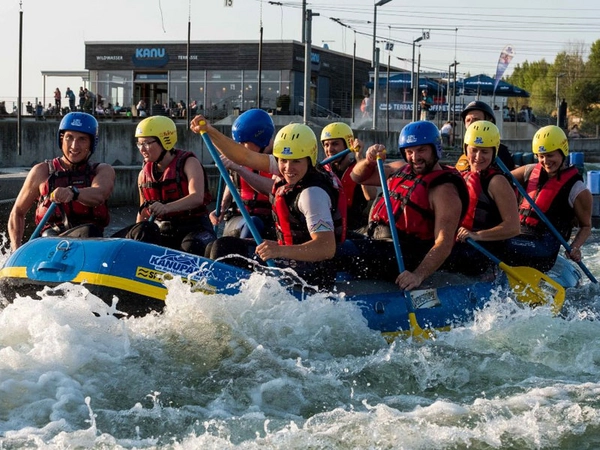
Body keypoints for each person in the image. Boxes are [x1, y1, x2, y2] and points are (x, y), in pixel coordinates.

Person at [190, 116, 346, 290]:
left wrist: (279, 250)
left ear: (309, 158)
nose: (288, 168)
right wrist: (210, 131)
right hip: (292, 258)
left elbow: (326, 248)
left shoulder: (312, 194)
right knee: (216, 245)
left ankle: (224, 296)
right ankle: (209, 292)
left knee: (224, 248)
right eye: (283, 161)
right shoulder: (292, 167)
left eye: (296, 161)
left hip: (313, 270)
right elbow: (245, 156)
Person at [350, 120, 469, 291]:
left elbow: (444, 243)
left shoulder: (445, 191)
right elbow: (358, 177)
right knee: (333, 240)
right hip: (374, 239)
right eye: (410, 151)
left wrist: (418, 275)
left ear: (435, 149)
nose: (415, 157)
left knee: (339, 251)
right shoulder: (400, 168)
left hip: (402, 254)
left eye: (422, 150)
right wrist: (368, 161)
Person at [8, 112, 115, 251]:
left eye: (82, 139)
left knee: (144, 230)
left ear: (91, 144)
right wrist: (16, 250)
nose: (74, 146)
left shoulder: (103, 170)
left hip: (92, 244)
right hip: (51, 244)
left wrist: (73, 192)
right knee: (89, 233)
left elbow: (100, 194)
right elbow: (17, 212)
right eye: (69, 138)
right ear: (61, 139)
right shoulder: (42, 171)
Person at [504, 125, 592, 272]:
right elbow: (501, 179)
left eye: (550, 155)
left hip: (544, 247)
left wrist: (575, 247)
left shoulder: (578, 189)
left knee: (497, 244)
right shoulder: (530, 171)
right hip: (520, 234)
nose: (545, 161)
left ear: (562, 152)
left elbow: (586, 226)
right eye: (541, 156)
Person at [123, 116, 216, 256]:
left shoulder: (189, 163)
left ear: (165, 141)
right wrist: (138, 233)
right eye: (139, 144)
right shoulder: (143, 174)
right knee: (141, 233)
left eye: (147, 143)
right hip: (164, 230)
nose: (142, 149)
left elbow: (197, 197)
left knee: (190, 247)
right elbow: (142, 212)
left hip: (195, 228)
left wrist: (166, 208)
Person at [443, 121, 520, 276]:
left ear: (494, 152)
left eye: (485, 152)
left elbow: (513, 227)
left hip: (483, 251)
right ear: (466, 150)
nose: (478, 157)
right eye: (474, 150)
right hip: (463, 245)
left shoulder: (497, 182)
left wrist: (476, 235)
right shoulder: (461, 175)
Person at [209, 108, 276, 239]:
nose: (240, 147)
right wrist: (222, 207)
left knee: (254, 223)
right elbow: (233, 182)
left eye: (244, 143)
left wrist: (240, 169)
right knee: (251, 224)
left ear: (261, 139)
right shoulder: (241, 158)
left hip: (271, 222)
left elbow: (273, 189)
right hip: (240, 219)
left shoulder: (282, 161)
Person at [320, 122, 377, 233]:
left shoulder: (359, 167)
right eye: (326, 145)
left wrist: (359, 157)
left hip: (356, 229)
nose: (330, 149)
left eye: (335, 144)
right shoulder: (321, 171)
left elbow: (370, 195)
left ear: (348, 145)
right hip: (330, 228)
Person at [458, 100, 515, 171]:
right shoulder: (464, 154)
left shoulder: (501, 152)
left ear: (489, 122)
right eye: (468, 120)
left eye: (476, 119)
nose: (471, 124)